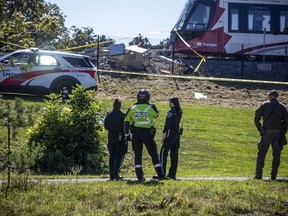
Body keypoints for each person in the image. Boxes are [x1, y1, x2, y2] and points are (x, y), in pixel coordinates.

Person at [124, 89, 165, 181]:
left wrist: (127, 135)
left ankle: (139, 176)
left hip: (136, 134)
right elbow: (156, 116)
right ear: (148, 98)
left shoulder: (132, 108)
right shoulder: (152, 107)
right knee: (154, 154)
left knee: (138, 155)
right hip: (148, 134)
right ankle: (160, 175)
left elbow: (126, 122)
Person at [254, 90, 288, 180]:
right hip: (278, 132)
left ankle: (258, 175)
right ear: (277, 96)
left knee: (261, 153)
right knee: (276, 155)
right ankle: (273, 176)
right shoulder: (282, 107)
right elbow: (286, 121)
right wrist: (283, 132)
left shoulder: (264, 105)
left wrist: (260, 128)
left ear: (270, 96)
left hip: (266, 132)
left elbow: (256, 118)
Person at [159, 97, 183, 180]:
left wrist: (163, 137)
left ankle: (161, 173)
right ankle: (172, 174)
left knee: (163, 152)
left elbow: (167, 126)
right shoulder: (179, 111)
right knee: (174, 154)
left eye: (169, 102)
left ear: (172, 103)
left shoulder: (171, 112)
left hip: (170, 135)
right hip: (177, 135)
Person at [104, 99, 126, 181]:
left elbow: (105, 126)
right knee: (118, 156)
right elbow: (126, 126)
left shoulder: (109, 115)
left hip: (111, 137)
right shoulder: (123, 115)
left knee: (112, 156)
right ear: (120, 106)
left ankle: (111, 175)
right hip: (120, 138)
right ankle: (116, 174)